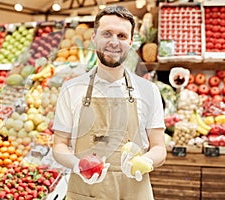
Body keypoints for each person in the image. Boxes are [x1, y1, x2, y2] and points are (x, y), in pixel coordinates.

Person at [52, 5, 166, 200]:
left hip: (134, 192)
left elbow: (159, 148)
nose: (114, 42)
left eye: (122, 36)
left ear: (130, 42)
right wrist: (77, 165)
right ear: (94, 38)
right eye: (107, 34)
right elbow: (59, 146)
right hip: (85, 193)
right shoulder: (71, 89)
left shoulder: (148, 91)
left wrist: (145, 161)